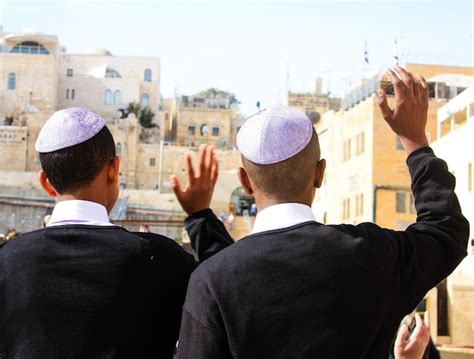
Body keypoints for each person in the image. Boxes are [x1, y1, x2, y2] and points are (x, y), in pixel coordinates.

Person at [175, 67, 469, 359]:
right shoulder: (373, 253)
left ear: (244, 181)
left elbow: (235, 277)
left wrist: (201, 218)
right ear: (320, 173)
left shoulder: (212, 281)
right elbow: (445, 232)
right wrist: (415, 142)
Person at [0, 108, 230, 358]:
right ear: (114, 169)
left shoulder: (6, 263)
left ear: (46, 182)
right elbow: (232, 295)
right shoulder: (161, 261)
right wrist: (201, 217)